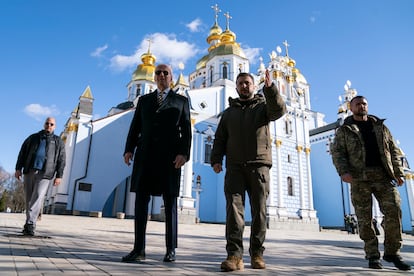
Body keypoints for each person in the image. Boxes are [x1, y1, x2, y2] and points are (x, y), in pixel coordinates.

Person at [210, 70, 286, 271]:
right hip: (234, 167)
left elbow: (279, 110)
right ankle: (234, 256)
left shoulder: (263, 107)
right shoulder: (228, 113)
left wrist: (270, 89)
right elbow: (220, 138)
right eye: (241, 83)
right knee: (234, 213)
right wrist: (216, 159)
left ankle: (257, 254)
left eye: (248, 83)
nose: (244, 86)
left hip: (259, 166)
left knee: (259, 212)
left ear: (254, 86)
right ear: (236, 87)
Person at [331, 95, 411, 271]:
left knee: (394, 211)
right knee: (364, 219)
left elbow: (393, 150)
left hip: (383, 176)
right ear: (351, 108)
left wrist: (398, 173)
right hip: (360, 179)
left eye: (364, 103)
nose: (362, 106)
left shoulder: (380, 126)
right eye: (358, 104)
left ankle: (392, 252)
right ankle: (373, 256)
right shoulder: (345, 130)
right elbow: (337, 153)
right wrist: (343, 172)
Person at [122, 64, 192, 263]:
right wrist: (129, 149)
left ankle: (170, 249)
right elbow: (135, 127)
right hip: (145, 157)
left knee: (170, 203)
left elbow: (186, 131)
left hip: (170, 159)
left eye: (165, 73)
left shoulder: (181, 101)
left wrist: (183, 154)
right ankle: (138, 249)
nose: (161, 75)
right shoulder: (144, 101)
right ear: (154, 78)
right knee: (141, 202)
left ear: (171, 78)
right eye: (158, 73)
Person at [15, 117, 66, 236]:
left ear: (55, 127)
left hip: (45, 174)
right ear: (44, 124)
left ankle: (30, 224)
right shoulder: (33, 138)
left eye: (52, 124)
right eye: (47, 123)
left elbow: (61, 159)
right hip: (29, 171)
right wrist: (18, 168)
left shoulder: (58, 141)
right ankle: (29, 223)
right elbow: (22, 152)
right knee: (29, 198)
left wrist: (59, 175)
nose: (49, 126)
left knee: (37, 197)